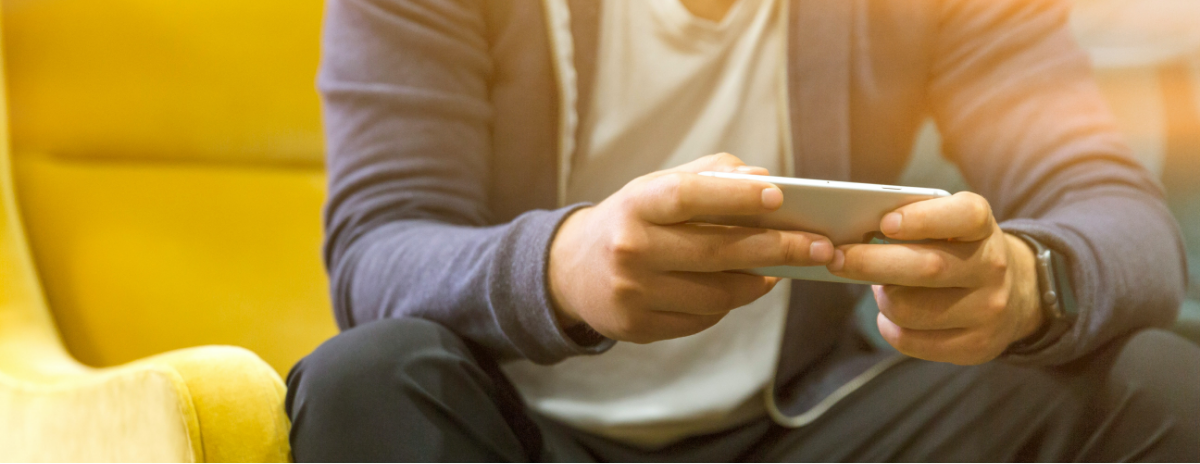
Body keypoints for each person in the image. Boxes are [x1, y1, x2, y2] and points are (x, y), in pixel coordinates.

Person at [285, 0, 1200, 461]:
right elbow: (377, 250)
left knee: (1155, 381)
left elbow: (1123, 219)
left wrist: (1027, 281)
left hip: (802, 428)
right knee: (363, 378)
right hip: (513, 429)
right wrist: (565, 267)